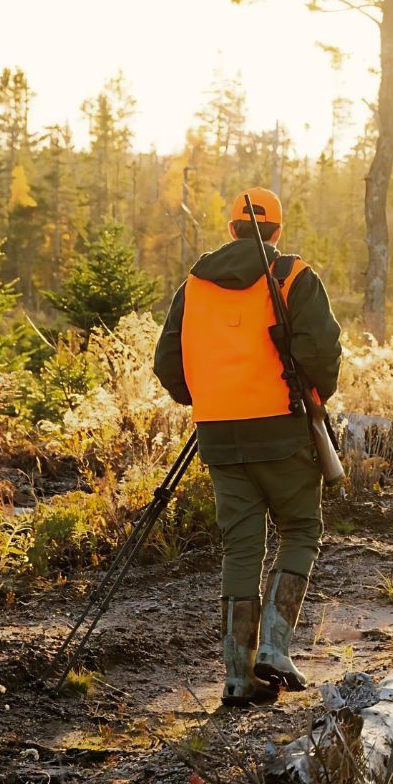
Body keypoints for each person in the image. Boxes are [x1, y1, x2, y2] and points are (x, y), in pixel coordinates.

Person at [153, 187, 342, 706]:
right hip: (281, 430)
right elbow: (321, 353)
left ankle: (238, 677)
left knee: (241, 548)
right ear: (276, 231)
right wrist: (312, 397)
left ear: (232, 228)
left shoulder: (194, 285)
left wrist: (209, 398)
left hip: (219, 434)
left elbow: (168, 362)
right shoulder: (293, 276)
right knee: (301, 527)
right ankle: (275, 651)